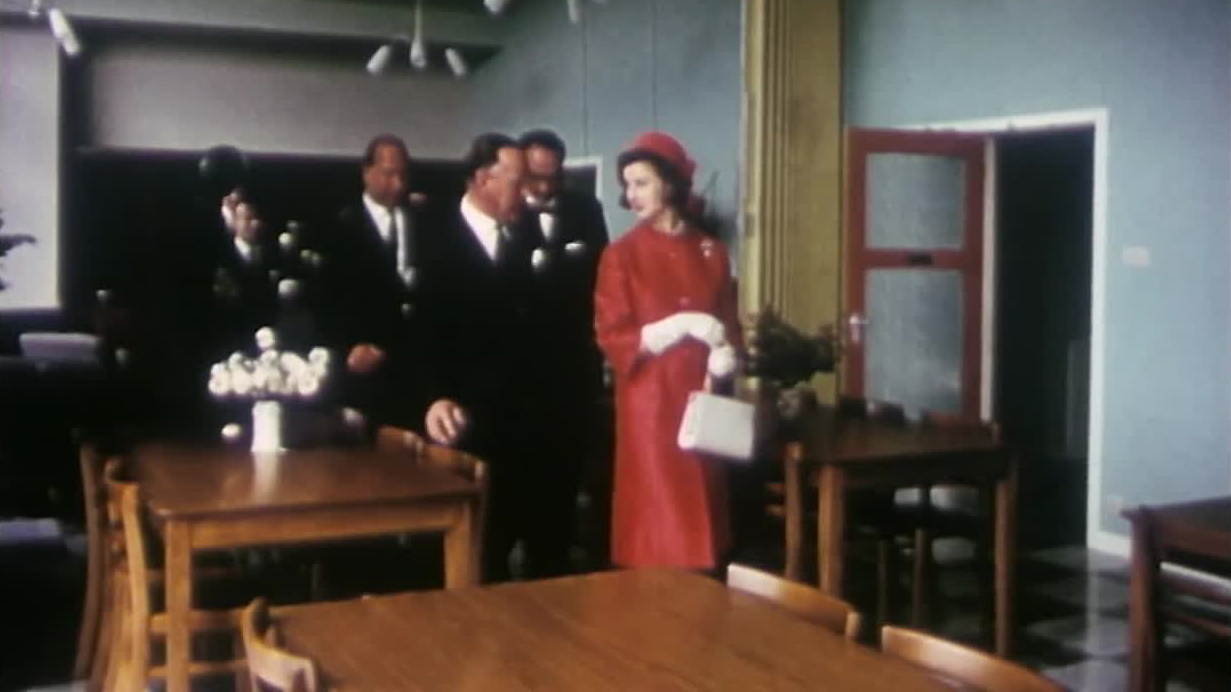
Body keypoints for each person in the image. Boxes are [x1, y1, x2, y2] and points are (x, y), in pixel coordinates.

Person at [593, 131, 742, 571]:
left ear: (671, 184)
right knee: (658, 518)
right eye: (627, 185)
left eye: (641, 183)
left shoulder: (712, 252)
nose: (631, 195)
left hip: (703, 400)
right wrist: (676, 327)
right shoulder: (621, 256)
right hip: (651, 405)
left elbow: (730, 324)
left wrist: (727, 355)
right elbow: (612, 336)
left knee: (705, 513)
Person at [423, 132, 543, 582]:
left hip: (521, 422)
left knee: (503, 544)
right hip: (457, 421)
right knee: (459, 552)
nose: (528, 193)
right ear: (481, 179)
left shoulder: (527, 235)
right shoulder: (430, 236)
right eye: (518, 181)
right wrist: (434, 396)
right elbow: (418, 335)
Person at [514, 128, 610, 577]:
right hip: (521, 373)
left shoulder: (585, 210)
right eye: (534, 176)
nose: (543, 187)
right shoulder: (505, 211)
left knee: (567, 470)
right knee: (522, 472)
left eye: (552, 177)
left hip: (573, 369)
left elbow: (602, 280)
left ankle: (555, 562)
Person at [317, 134, 440, 430]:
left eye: (403, 175)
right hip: (364, 372)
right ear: (367, 172)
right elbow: (325, 301)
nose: (397, 184)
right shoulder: (339, 228)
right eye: (388, 174)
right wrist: (347, 349)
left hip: (415, 371)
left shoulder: (426, 222)